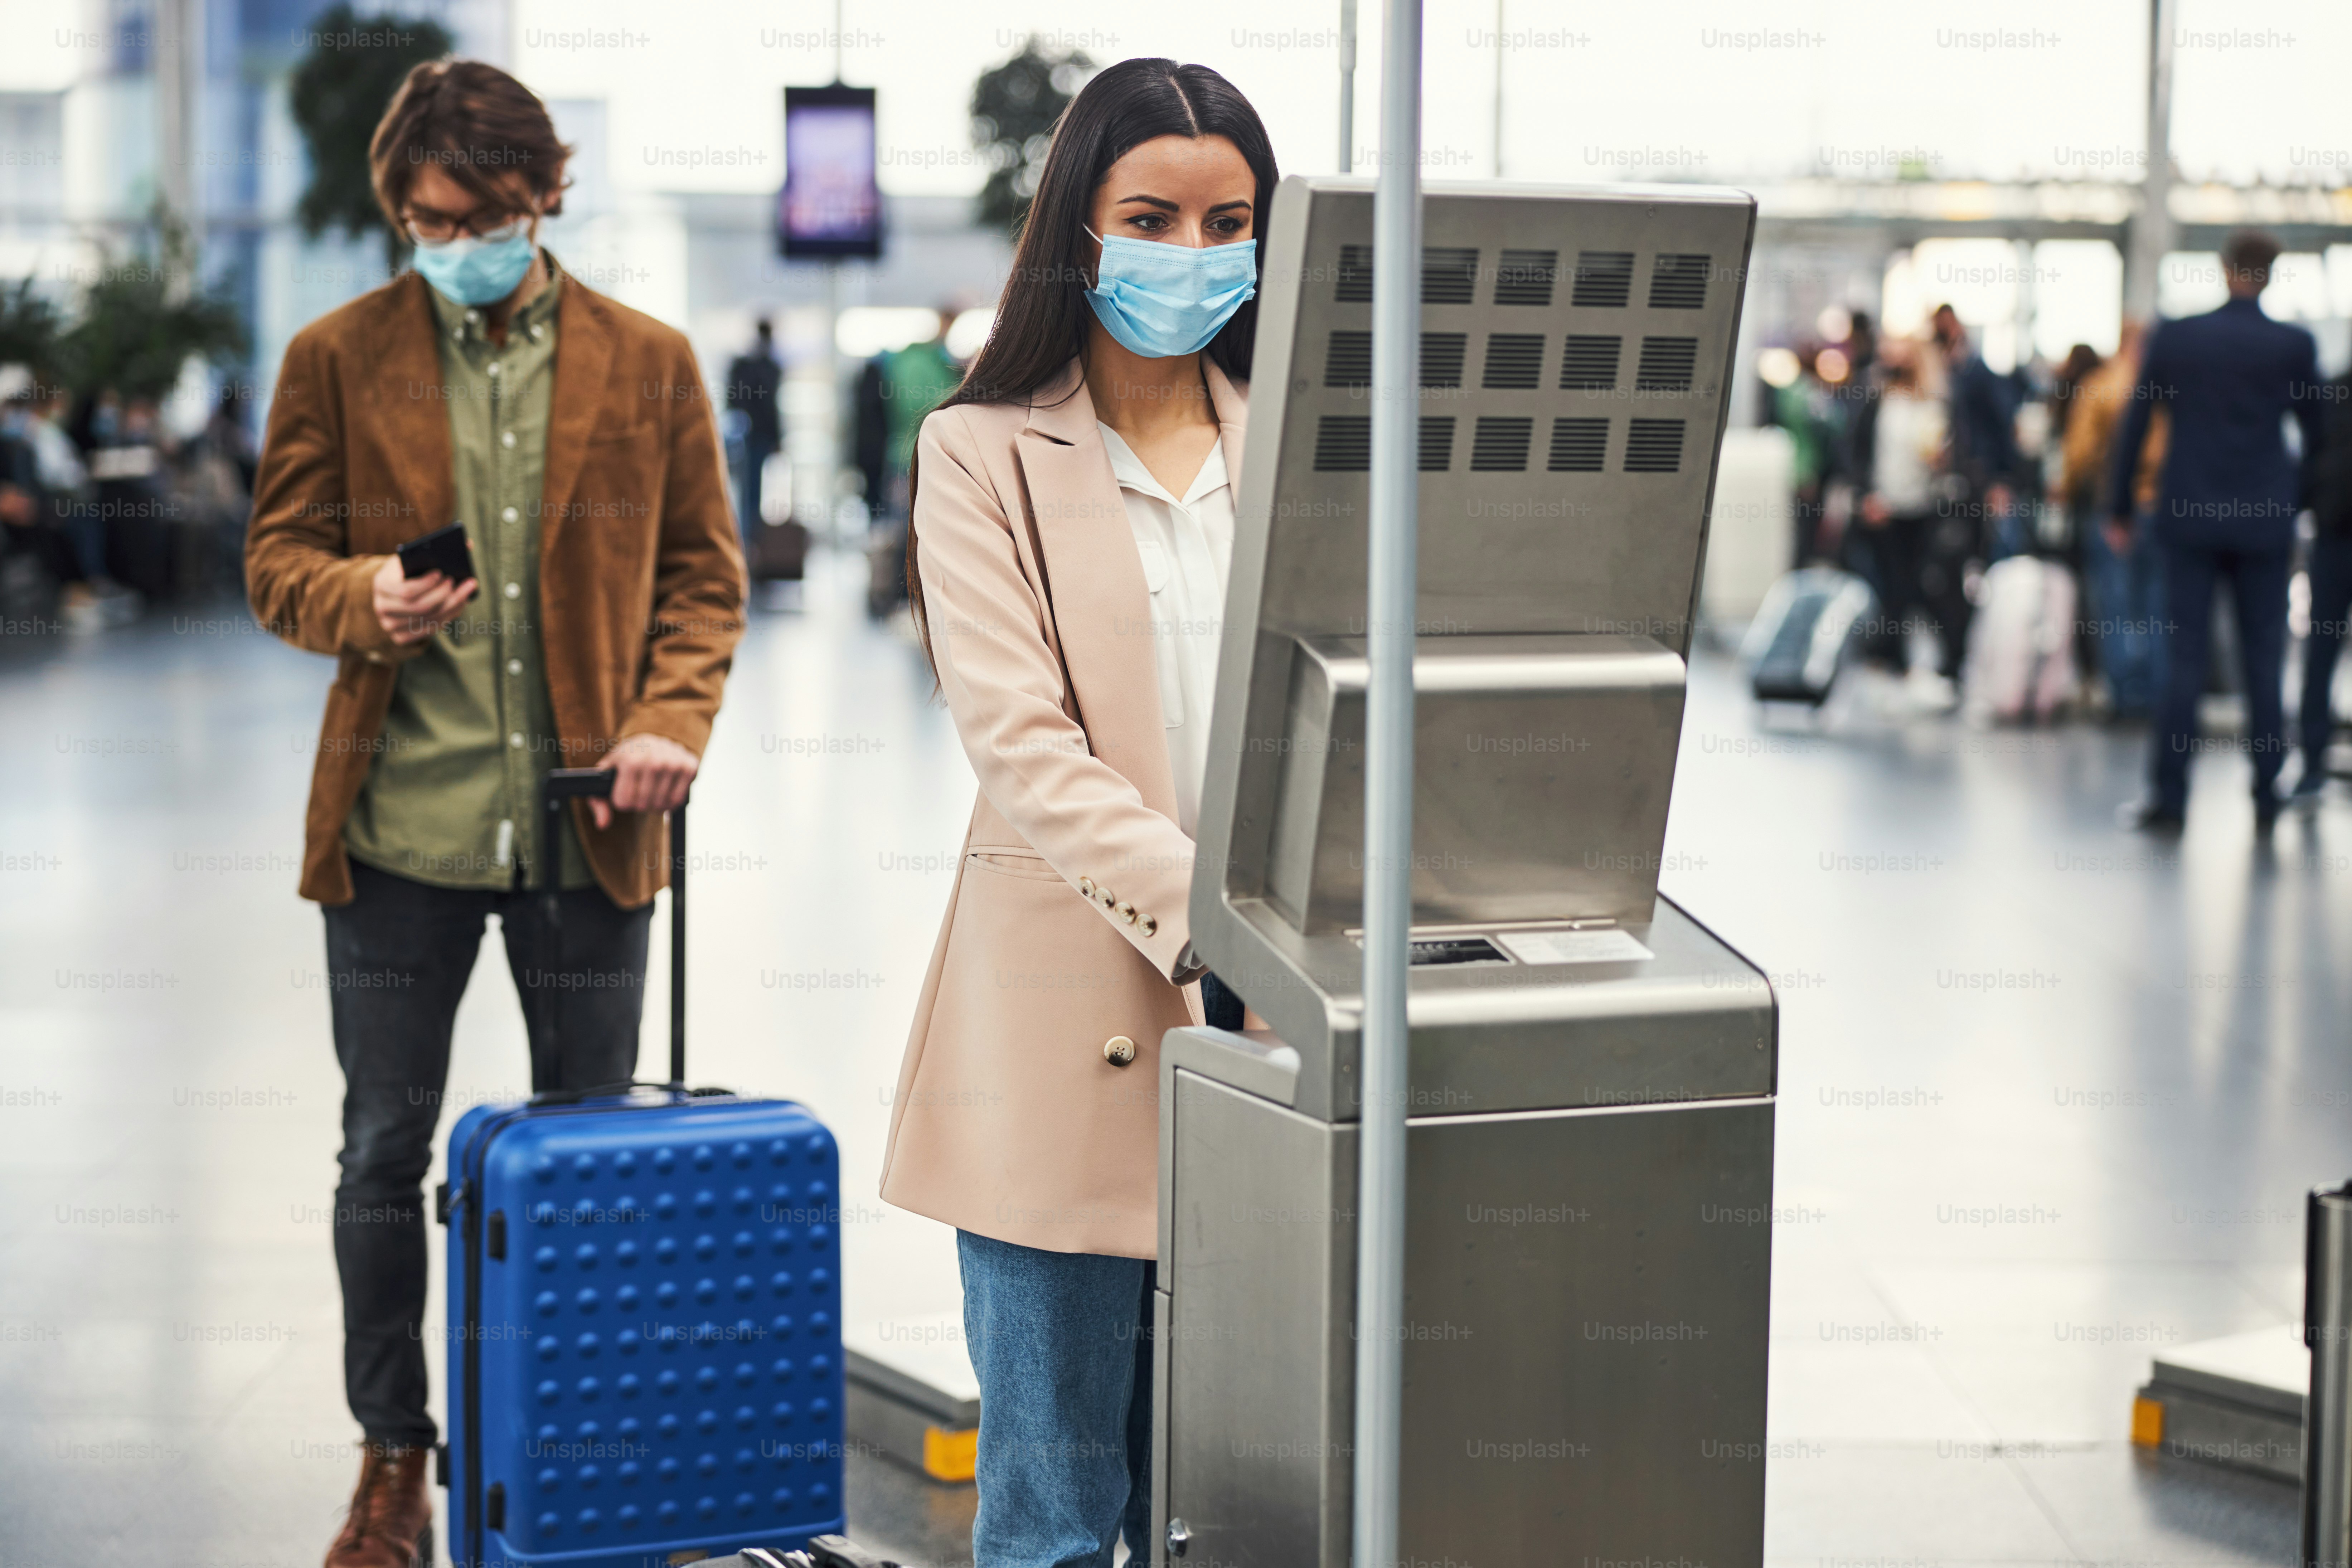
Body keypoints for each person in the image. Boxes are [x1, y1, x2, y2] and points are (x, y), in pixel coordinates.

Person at [242, 59, 744, 1568]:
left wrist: (669, 719)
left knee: (589, 1160)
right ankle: (393, 1459)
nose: (441, 238)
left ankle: (582, 1451)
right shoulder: (338, 356)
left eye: (469, 214)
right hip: (398, 835)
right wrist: (363, 599)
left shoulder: (649, 364)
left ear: (540, 200)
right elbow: (274, 563)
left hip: (588, 835)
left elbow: (703, 580)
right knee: (381, 1151)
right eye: (416, 216)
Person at [876, 57, 1274, 1568]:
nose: (1192, 253)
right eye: (1151, 215)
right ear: (1077, 231)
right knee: (1051, 1524)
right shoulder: (980, 453)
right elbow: (1025, 750)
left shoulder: (1304, 453)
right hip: (1061, 1036)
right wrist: (1220, 925)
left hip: (1268, 1039)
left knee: (1230, 1510)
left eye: (1226, 219)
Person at [2108, 229, 2325, 833]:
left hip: (2189, 516)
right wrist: (2296, 500)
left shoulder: (2178, 339)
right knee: (2263, 657)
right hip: (2265, 521)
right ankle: (2266, 790)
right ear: (2272, 273)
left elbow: (2136, 423)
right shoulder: (2292, 346)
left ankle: (2171, 798)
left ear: (2223, 268)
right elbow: (2319, 435)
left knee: (2184, 659)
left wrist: (2120, 506)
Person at [2062, 322, 2169, 717]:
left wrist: (2071, 487)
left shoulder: (2102, 386)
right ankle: (2158, 694)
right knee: (2159, 608)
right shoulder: (2170, 390)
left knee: (2116, 606)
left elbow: (2080, 452)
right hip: (2163, 509)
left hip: (2114, 509)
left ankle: (2124, 695)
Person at [1846, 339, 1948, 688]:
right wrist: (1865, 497)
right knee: (1891, 583)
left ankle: (1916, 655)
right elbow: (1856, 451)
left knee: (1918, 582)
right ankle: (1893, 654)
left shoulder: (1930, 404)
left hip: (1920, 506)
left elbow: (1944, 453)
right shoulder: (1877, 399)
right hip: (1884, 506)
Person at [2295, 359, 2352, 804]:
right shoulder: (2330, 391)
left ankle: (2314, 765)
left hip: (2333, 533)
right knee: (2320, 650)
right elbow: (2312, 458)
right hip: (2334, 537)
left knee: (2321, 649)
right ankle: (2312, 763)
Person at [724, 317, 783, 544]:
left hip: (752, 436)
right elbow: (769, 406)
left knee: (751, 490)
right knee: (750, 491)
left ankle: (750, 539)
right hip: (753, 437)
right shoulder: (763, 367)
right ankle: (749, 540)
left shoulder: (748, 366)